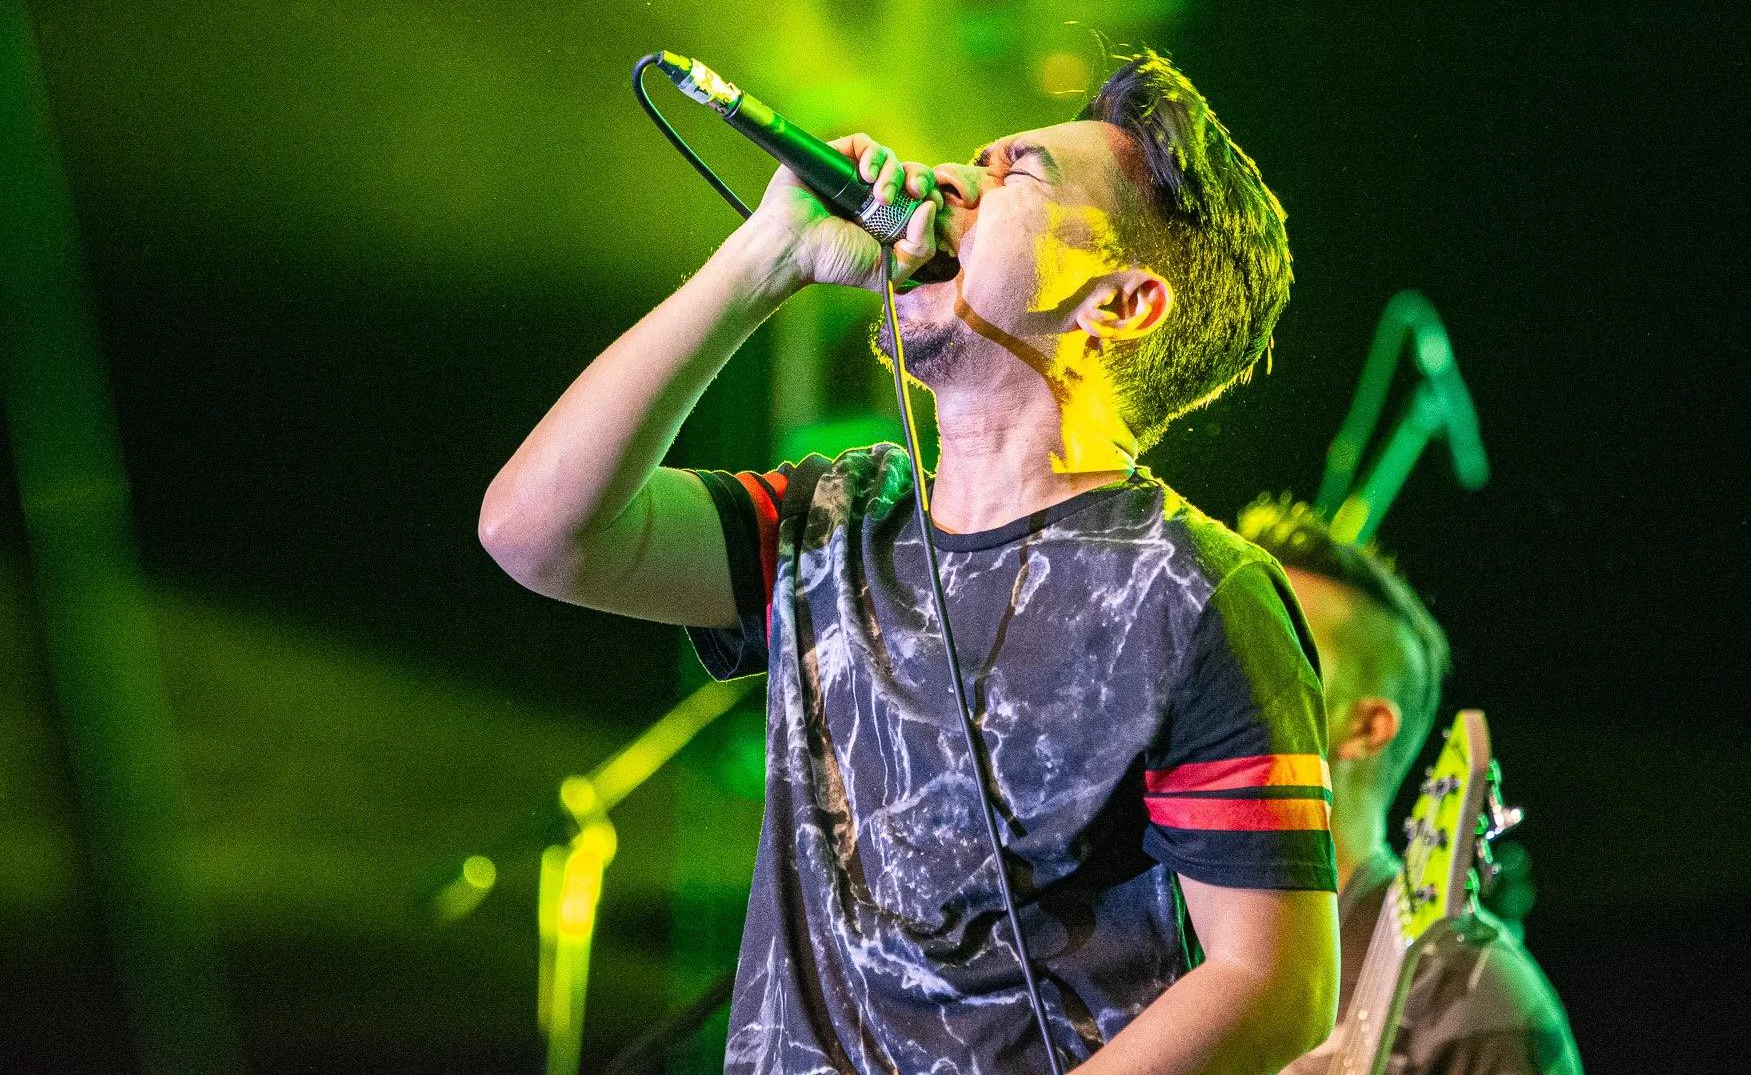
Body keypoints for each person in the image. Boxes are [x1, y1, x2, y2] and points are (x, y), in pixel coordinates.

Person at [481, 52, 1339, 1074]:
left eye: (1013, 173)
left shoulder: (1190, 590)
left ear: (1119, 303)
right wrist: (762, 260)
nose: (943, 182)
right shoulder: (833, 522)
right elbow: (535, 533)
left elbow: (1274, 985)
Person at [1235, 498, 1581, 1075]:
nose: (1213, 672)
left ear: (1365, 728)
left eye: (1265, 645)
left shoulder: (1470, 992)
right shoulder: (1144, 946)